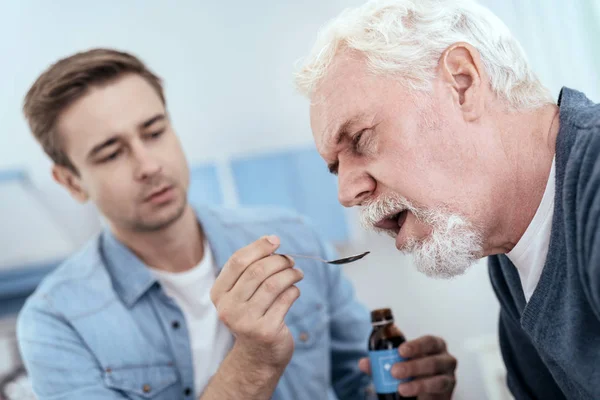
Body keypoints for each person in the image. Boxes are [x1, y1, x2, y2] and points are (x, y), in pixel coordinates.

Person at [17, 48, 455, 400]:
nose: (148, 164)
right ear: (71, 181)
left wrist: (409, 385)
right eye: (111, 153)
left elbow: (359, 381)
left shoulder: (291, 233)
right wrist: (256, 360)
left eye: (154, 132)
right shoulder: (55, 323)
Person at [295, 0, 600, 398]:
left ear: (462, 83)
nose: (346, 193)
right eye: (336, 168)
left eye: (360, 138)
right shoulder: (511, 256)